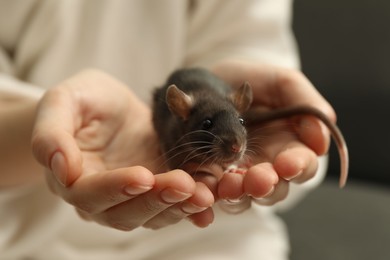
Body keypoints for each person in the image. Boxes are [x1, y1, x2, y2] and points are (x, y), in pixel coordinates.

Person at [0, 1, 334, 259]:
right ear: (182, 115)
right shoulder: (176, 121)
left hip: (220, 243)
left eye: (241, 125)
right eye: (206, 128)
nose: (235, 144)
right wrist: (44, 124)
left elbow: (247, 36)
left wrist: (261, 74)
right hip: (22, 232)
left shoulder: (228, 112)